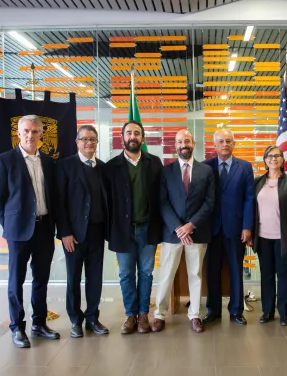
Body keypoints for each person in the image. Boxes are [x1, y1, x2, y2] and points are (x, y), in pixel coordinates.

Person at [0, 114, 60, 348]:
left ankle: (39, 323)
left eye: (35, 131)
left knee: (41, 279)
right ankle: (17, 327)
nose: (31, 135)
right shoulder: (5, 160)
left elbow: (55, 197)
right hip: (18, 232)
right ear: (19, 134)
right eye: (26, 131)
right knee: (16, 280)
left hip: (44, 228)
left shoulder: (49, 162)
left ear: (41, 134)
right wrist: (10, 224)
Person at [152, 129, 215, 333]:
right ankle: (159, 313)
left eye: (186, 140)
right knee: (166, 274)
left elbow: (209, 202)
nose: (183, 144)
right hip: (172, 233)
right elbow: (162, 202)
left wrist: (191, 225)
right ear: (175, 145)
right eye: (179, 142)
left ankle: (195, 314)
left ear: (193, 143)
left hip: (197, 232)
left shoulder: (206, 171)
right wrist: (179, 227)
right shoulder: (166, 171)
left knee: (195, 274)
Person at [105, 120, 163, 334]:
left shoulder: (154, 163)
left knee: (146, 273)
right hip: (123, 230)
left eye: (137, 133)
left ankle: (143, 316)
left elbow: (161, 197)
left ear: (143, 138)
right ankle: (130, 315)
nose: (133, 136)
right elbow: (107, 202)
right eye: (129, 133)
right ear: (122, 138)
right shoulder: (111, 167)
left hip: (148, 228)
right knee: (126, 274)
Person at [56, 125, 110, 338]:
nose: (89, 142)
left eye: (93, 139)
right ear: (77, 142)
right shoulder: (65, 167)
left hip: (97, 232)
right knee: (74, 278)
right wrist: (65, 232)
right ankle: (75, 320)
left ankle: (92, 318)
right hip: (74, 235)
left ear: (97, 143)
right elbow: (59, 203)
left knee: (95, 278)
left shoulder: (103, 168)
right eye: (84, 139)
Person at [203, 129, 254, 326]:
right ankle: (213, 310)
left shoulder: (245, 167)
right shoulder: (206, 166)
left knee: (235, 270)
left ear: (234, 144)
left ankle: (236, 311)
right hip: (212, 229)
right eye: (221, 141)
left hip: (236, 228)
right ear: (215, 145)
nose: (225, 144)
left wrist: (247, 226)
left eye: (229, 141)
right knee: (212, 270)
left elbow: (249, 198)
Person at [252, 145, 287, 326]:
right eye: (270, 156)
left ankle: (284, 313)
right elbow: (252, 211)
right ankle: (267, 311)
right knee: (266, 275)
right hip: (263, 237)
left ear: (282, 160)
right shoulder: (257, 182)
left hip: (284, 238)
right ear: (265, 160)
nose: (273, 159)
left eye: (277, 156)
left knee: (284, 275)